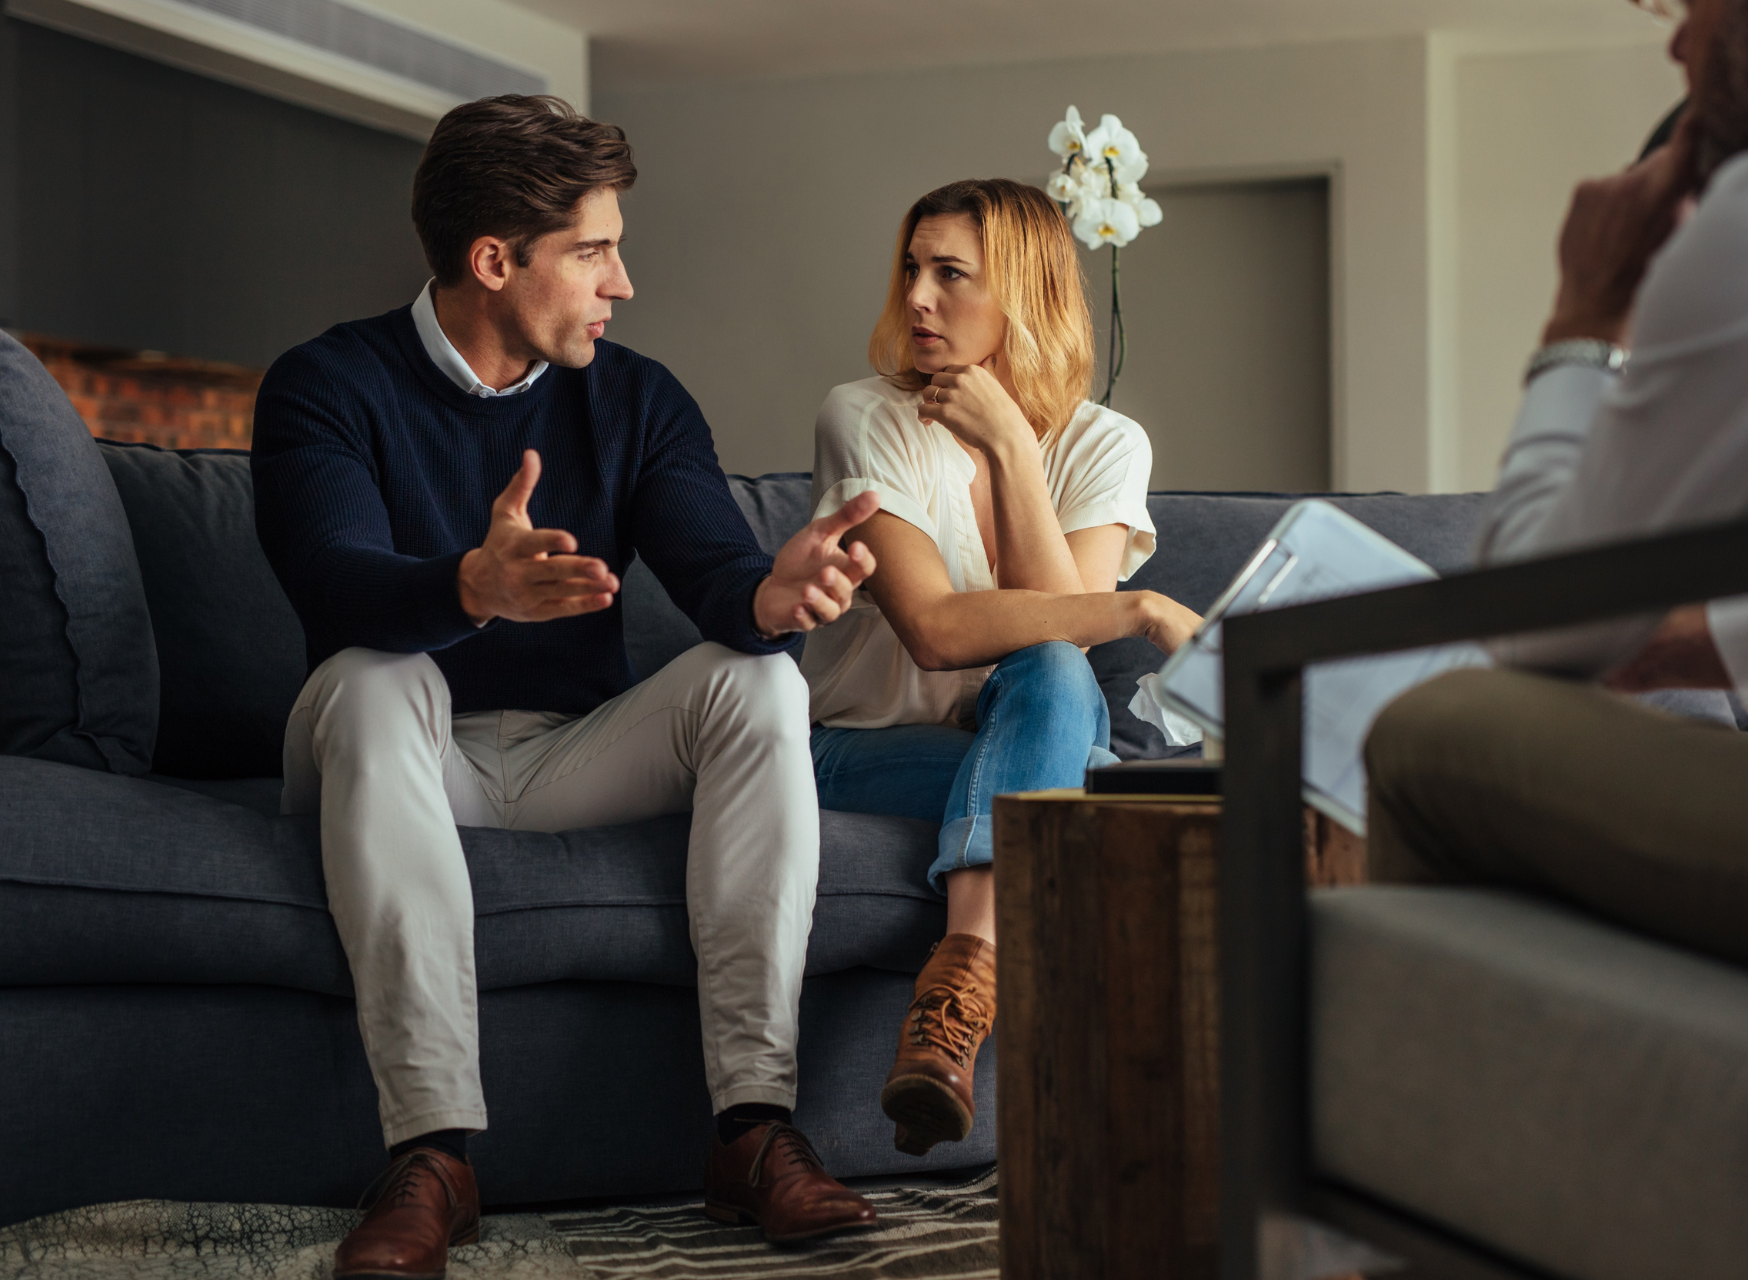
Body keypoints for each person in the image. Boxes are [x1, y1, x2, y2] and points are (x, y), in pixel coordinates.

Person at [252, 96, 888, 1274]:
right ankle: (431, 1155)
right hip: (397, 753)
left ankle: (753, 1130)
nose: (623, 281)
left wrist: (772, 597)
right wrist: (470, 589)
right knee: (372, 676)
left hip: (568, 753)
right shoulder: (325, 384)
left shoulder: (637, 398)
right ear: (496, 261)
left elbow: (714, 570)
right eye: (594, 250)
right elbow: (333, 583)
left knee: (758, 685)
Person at [1364, 0, 1748, 1018]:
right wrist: (1677, 648)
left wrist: (1584, 317)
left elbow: (1543, 622)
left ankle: (1465, 1158)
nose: (1675, 45)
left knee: (1434, 732)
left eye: (1689, 8)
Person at [800, 179, 1203, 1155]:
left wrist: (1017, 450)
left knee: (1057, 689)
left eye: (951, 274)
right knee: (1081, 792)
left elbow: (1053, 642)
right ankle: (991, 994)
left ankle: (957, 994)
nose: (919, 297)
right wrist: (1142, 607)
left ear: (1020, 293)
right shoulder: (863, 415)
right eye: (911, 269)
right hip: (854, 746)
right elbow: (935, 629)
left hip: (1009, 741)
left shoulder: (1105, 443)